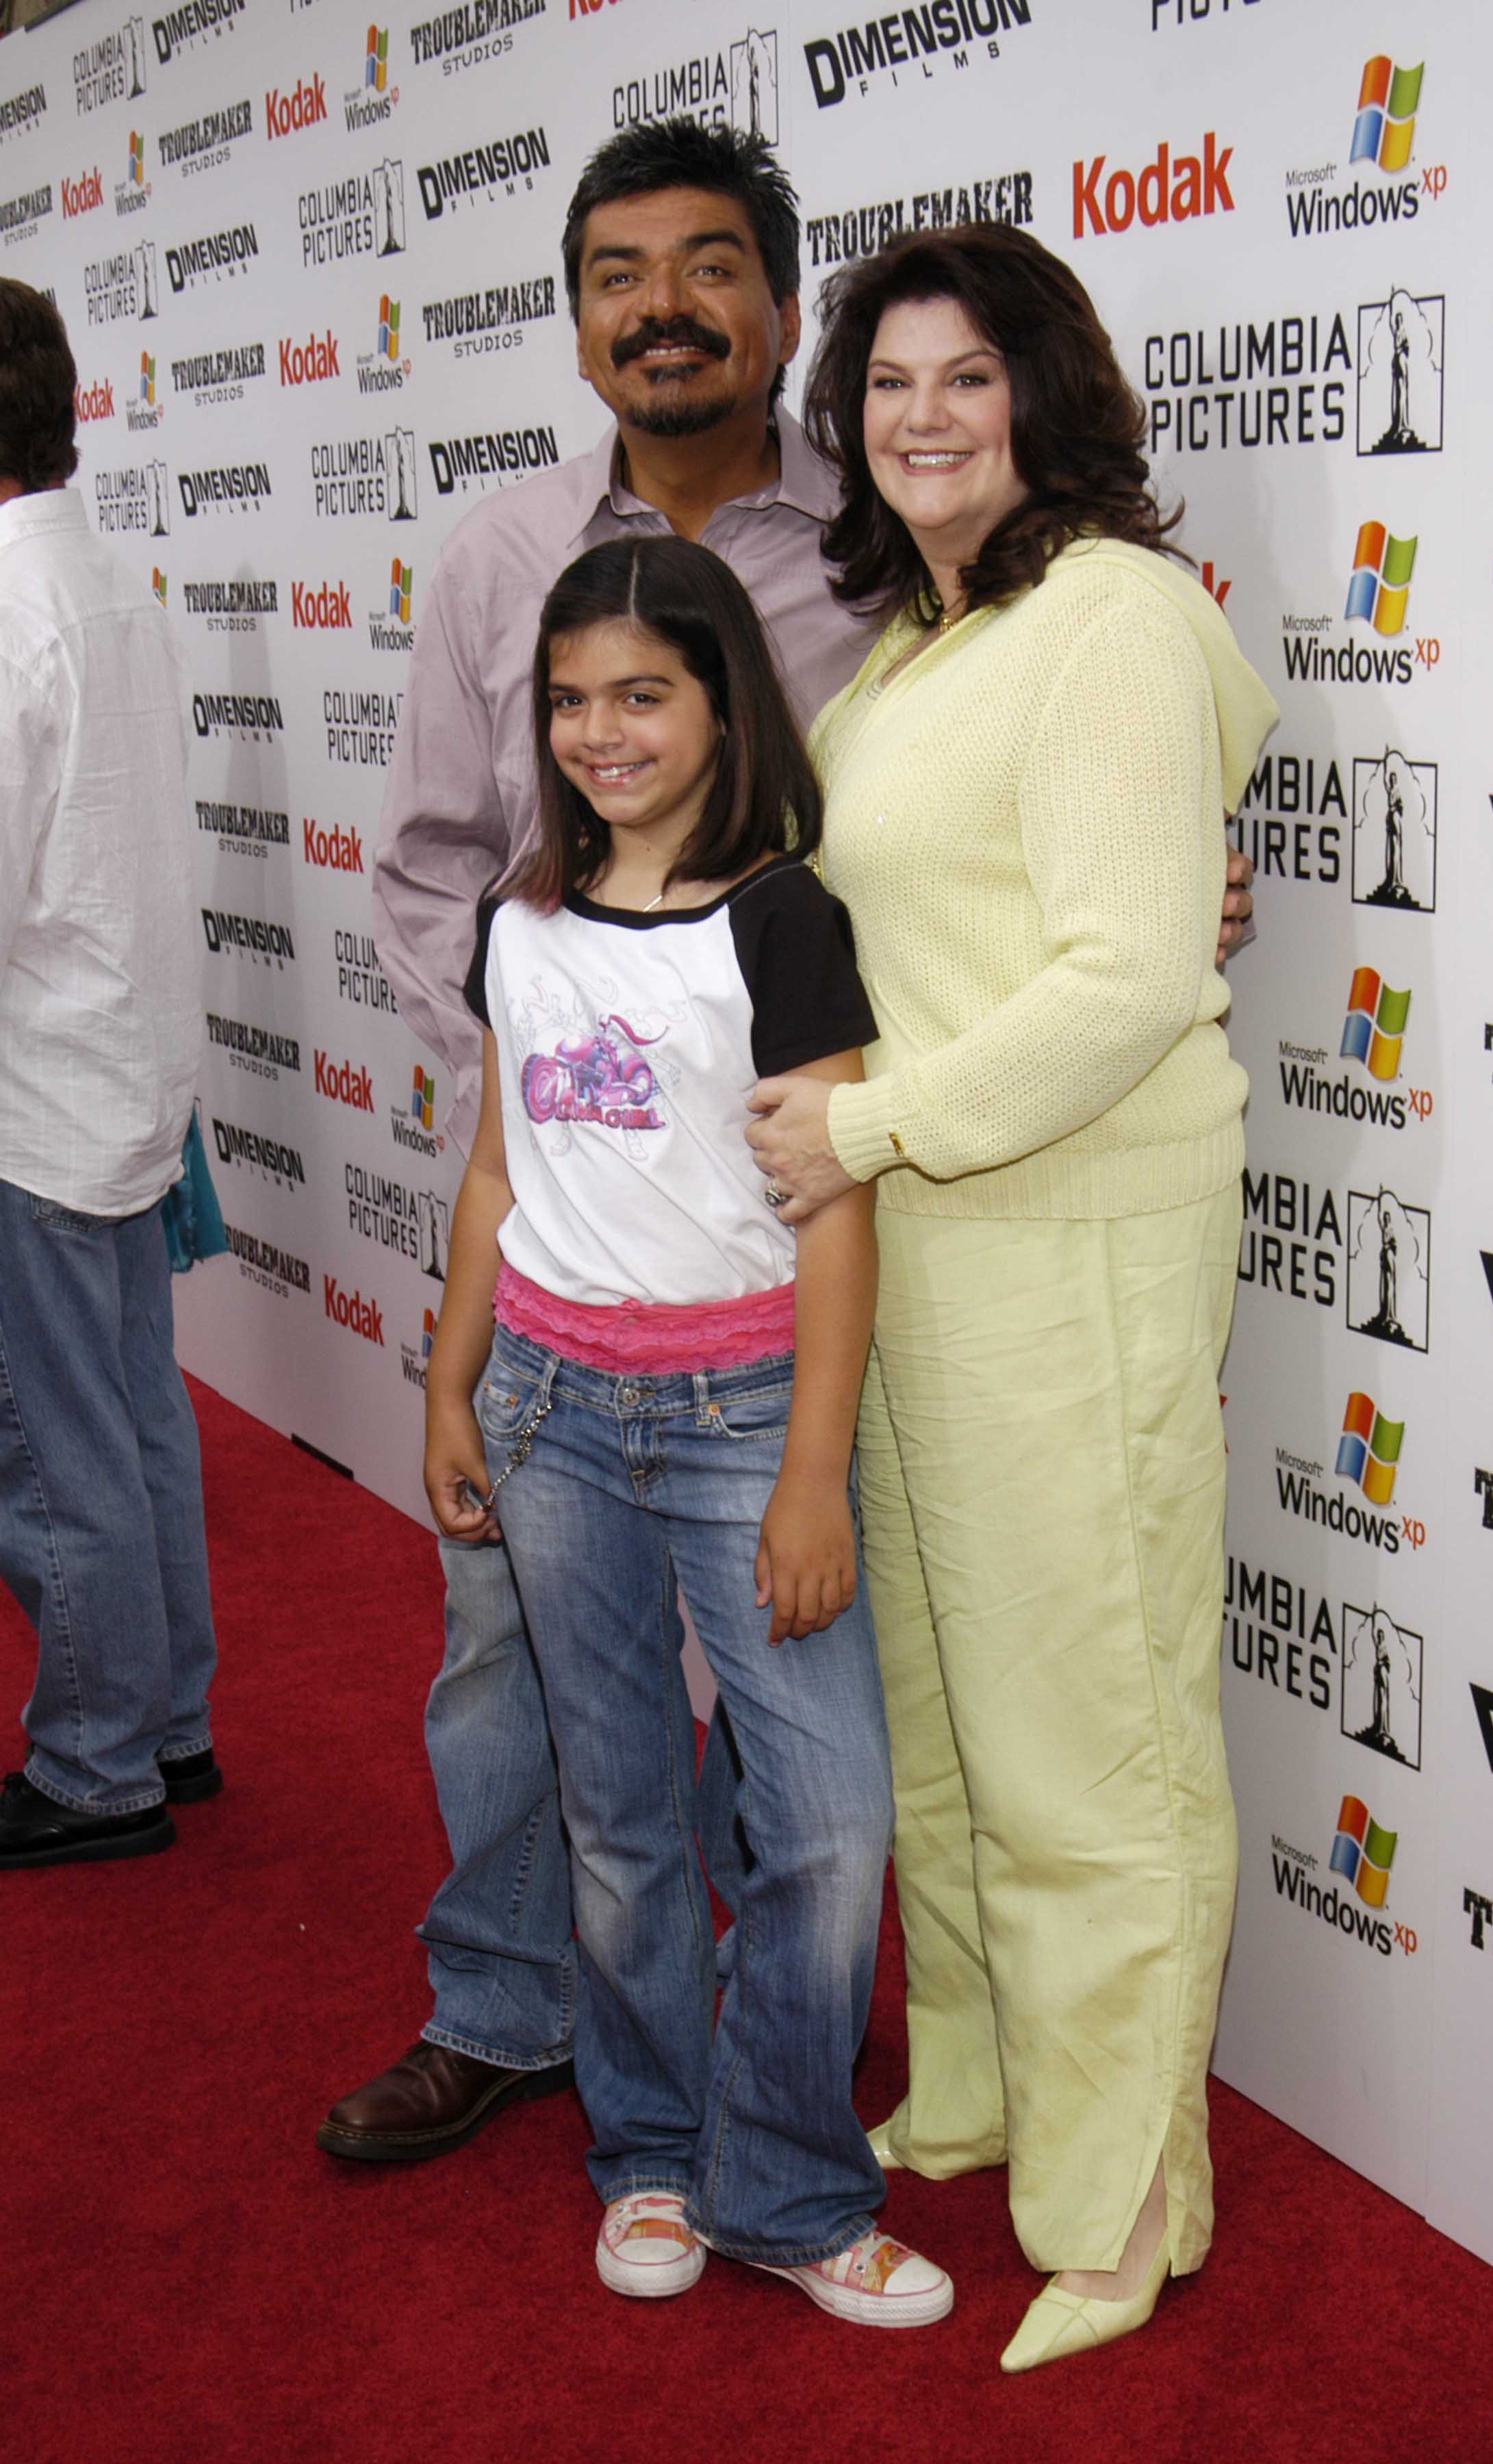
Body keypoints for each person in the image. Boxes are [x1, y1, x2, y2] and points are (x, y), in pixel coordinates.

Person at [338, 115, 1255, 2161]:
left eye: (707, 266)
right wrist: (564, 1088)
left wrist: (1183, 859)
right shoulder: (498, 556)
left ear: (771, 301)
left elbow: (991, 844)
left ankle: (781, 2039)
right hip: (570, 1236)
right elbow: (426, 875)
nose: (662, 307)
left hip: (811, 1242)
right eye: (615, 275)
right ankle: (502, 2007)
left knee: (813, 1703)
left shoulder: (894, 539)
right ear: (576, 320)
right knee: (515, 1664)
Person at [746, 225, 1278, 2372]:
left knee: (1092, 1747)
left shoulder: (1118, 619)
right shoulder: (915, 647)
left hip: (1072, 1248)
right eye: (888, 388)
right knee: (953, 1739)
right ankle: (972, 2094)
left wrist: (864, 1139)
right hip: (930, 1265)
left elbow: (1136, 975)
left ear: (1046, 393)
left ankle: (1121, 2198)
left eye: (967, 379)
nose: (924, 418)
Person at [427, 530, 948, 2325]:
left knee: (825, 1823)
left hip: (744, 1431)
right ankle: (646, 2148)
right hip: (552, 1415)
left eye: (640, 694)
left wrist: (812, 1472)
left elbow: (839, 1210)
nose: (598, 733)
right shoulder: (519, 917)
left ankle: (789, 2183)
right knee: (624, 1820)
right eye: (569, 701)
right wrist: (449, 1383)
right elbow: (498, 1167)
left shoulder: (785, 918)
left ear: (726, 700)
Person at [0, 279, 219, 1871]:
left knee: (49, 1443)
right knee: (137, 1420)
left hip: (35, 1094)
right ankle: (169, 1721)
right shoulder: (101, 581)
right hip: (119, 1076)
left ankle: (94, 1763)